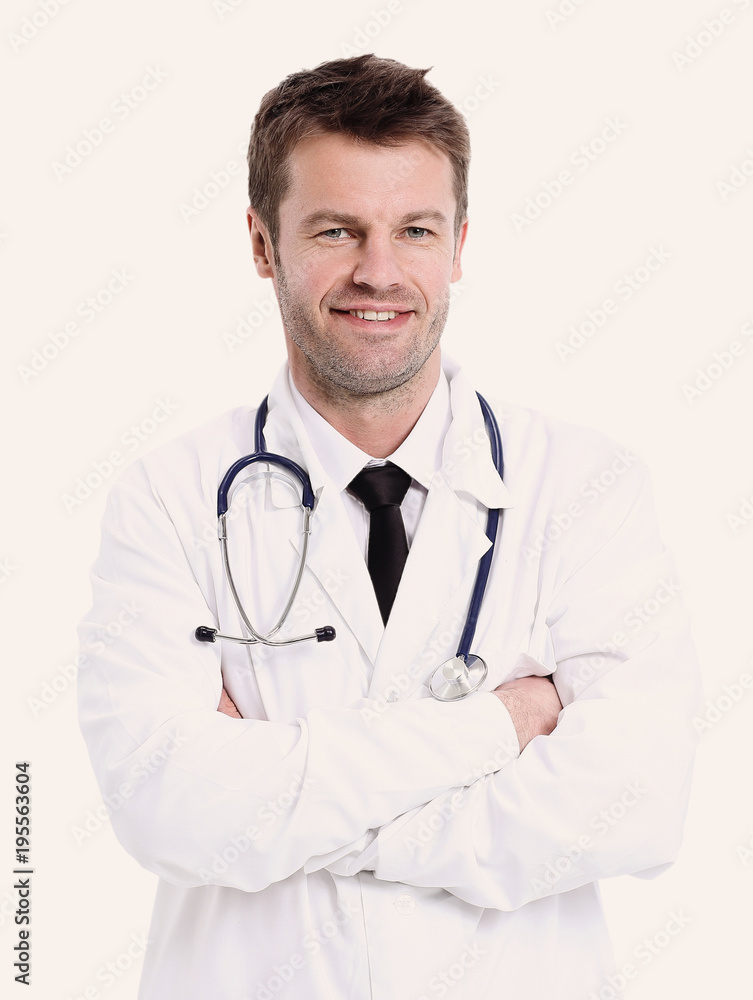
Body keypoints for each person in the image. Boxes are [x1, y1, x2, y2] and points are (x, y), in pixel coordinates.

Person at [78, 54, 701, 1000]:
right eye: (336, 230)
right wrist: (498, 726)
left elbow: (636, 804)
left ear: (457, 246)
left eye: (414, 229)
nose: (380, 271)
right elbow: (169, 808)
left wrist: (285, 807)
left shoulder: (586, 488)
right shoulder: (168, 499)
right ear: (261, 241)